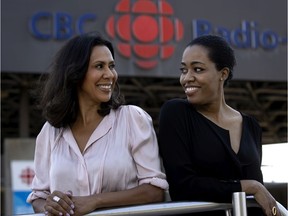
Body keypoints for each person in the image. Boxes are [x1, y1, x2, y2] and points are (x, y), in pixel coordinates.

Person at [27, 31, 168, 216]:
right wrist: (51, 205)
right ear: (75, 73)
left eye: (111, 66)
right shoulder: (50, 132)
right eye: (99, 66)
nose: (110, 74)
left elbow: (155, 191)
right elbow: (38, 196)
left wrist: (95, 201)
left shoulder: (132, 119)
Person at [158, 35, 283, 216]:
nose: (186, 78)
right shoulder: (176, 112)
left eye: (198, 69)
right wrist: (248, 186)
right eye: (184, 70)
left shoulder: (251, 126)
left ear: (223, 74)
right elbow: (182, 186)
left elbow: (260, 197)